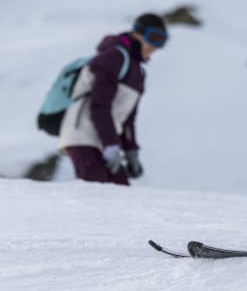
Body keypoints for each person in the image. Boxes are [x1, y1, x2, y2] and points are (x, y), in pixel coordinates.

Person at [58, 13, 168, 185]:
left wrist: (131, 152)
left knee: (121, 195)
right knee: (96, 195)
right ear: (137, 34)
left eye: (162, 41)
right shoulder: (113, 57)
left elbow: (127, 118)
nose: (156, 46)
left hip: (105, 139)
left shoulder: (138, 73)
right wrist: (110, 144)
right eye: (153, 37)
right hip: (83, 135)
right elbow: (100, 104)